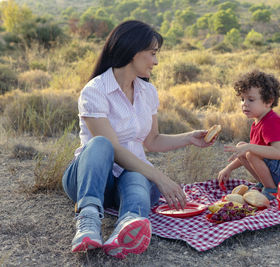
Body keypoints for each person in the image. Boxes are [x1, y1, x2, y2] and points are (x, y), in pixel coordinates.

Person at [62, 20, 214, 259]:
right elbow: (113, 149)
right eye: (152, 54)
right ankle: (88, 221)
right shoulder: (95, 91)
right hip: (90, 177)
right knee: (101, 144)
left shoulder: (147, 92)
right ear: (133, 51)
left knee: (135, 174)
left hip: (128, 181)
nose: (156, 61)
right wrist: (159, 177)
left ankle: (128, 227)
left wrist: (189, 138)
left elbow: (151, 141)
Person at [217, 70, 280, 200]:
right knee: (243, 147)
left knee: (250, 151)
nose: (244, 104)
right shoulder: (257, 123)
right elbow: (248, 153)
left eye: (250, 99)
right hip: (277, 172)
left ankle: (272, 190)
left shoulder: (273, 121)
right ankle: (265, 184)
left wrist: (249, 148)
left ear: (268, 102)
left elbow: (277, 152)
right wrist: (228, 168)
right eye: (242, 99)